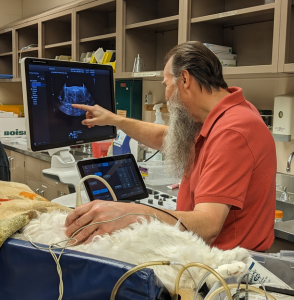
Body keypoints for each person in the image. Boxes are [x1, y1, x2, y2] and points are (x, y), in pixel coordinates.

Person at [65, 41, 276, 251]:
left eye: (166, 85)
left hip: (226, 270)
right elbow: (166, 137)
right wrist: (115, 119)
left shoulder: (233, 130)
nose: (166, 97)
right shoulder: (223, 114)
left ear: (184, 79)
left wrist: (128, 214)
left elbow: (208, 225)